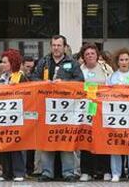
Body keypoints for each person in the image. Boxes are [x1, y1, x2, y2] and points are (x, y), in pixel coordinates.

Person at [30, 35, 83, 182]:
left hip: (67, 109)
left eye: (59, 45)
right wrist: (43, 82)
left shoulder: (72, 63)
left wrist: (64, 83)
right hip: (46, 108)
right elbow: (33, 78)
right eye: (53, 45)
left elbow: (80, 81)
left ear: (64, 47)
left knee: (65, 139)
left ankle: (68, 173)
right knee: (47, 140)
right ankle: (47, 172)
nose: (56, 48)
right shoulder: (44, 61)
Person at [79, 42, 112, 182]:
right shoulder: (79, 69)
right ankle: (86, 171)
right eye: (87, 54)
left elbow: (113, 86)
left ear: (97, 55)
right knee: (85, 139)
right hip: (85, 109)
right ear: (83, 57)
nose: (90, 56)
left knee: (103, 139)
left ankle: (105, 170)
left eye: (92, 53)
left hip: (102, 110)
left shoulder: (106, 68)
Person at [106, 48, 129, 183]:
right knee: (115, 143)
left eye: (126, 59)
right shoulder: (112, 77)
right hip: (116, 115)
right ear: (117, 62)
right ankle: (116, 173)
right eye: (121, 60)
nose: (124, 62)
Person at [0, 49, 28, 182]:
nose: (3, 65)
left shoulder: (20, 77)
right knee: (4, 144)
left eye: (5, 62)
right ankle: (7, 173)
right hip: (3, 115)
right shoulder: (1, 78)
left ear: (12, 62)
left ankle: (19, 172)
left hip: (17, 115)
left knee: (16, 145)